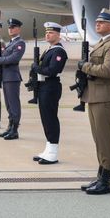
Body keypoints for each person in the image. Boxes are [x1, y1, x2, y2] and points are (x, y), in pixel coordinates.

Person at [78, 8, 110, 195]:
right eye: (97, 21)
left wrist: (85, 66)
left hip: (106, 98)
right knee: (99, 139)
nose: (97, 24)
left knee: (106, 140)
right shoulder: (101, 43)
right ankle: (100, 176)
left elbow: (108, 71)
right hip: (95, 97)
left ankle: (106, 181)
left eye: (102, 22)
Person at [31, 22, 68, 164]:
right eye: (46, 32)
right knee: (45, 119)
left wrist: (37, 68)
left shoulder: (59, 51)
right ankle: (48, 149)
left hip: (51, 87)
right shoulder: (50, 49)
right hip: (44, 86)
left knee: (51, 118)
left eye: (51, 33)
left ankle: (53, 152)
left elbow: (53, 70)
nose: (47, 34)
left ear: (58, 35)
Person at [0, 18, 25, 140]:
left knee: (14, 104)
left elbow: (14, 59)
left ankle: (15, 129)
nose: (11, 29)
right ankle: (10, 126)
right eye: (9, 27)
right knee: (8, 104)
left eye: (13, 27)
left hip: (12, 77)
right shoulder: (11, 43)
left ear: (18, 29)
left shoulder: (20, 43)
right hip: (6, 77)